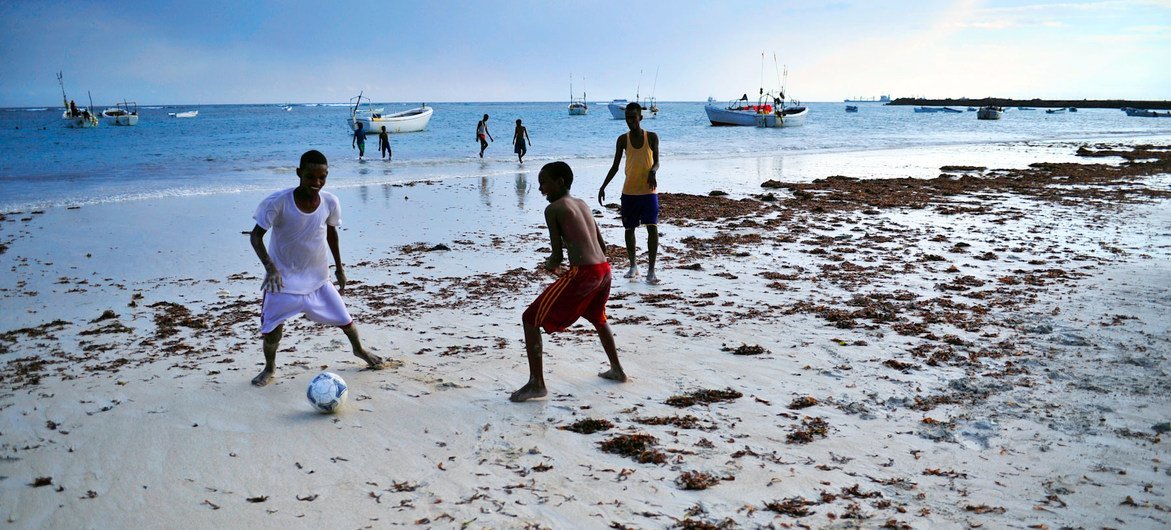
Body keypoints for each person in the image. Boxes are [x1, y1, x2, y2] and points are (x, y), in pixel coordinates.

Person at [249, 149, 384, 387]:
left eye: (322, 177)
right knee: (272, 332)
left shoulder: (330, 202)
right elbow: (256, 237)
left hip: (319, 279)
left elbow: (331, 233)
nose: (317, 182)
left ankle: (359, 350)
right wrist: (270, 268)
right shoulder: (277, 202)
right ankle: (269, 367)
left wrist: (340, 268)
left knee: (346, 320)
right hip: (283, 281)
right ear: (299, 173)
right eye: (311, 177)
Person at [511, 161, 626, 402]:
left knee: (530, 318)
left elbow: (556, 255)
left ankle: (537, 383)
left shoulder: (553, 209)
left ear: (560, 182)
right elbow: (602, 245)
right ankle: (617, 369)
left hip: (585, 273)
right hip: (604, 270)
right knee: (598, 317)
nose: (541, 188)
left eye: (544, 183)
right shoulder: (582, 204)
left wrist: (551, 266)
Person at [597, 102, 662, 284]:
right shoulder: (622, 140)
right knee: (629, 229)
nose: (630, 121)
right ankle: (633, 265)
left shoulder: (652, 137)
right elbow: (615, 166)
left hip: (649, 191)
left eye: (633, 117)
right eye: (627, 117)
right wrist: (603, 186)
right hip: (629, 192)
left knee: (652, 228)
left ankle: (651, 270)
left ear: (640, 117)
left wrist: (653, 171)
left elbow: (657, 162)